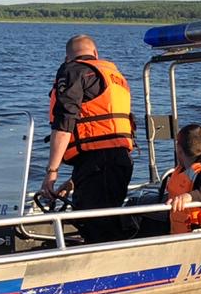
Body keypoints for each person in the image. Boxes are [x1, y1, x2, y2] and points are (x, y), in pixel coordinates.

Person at [43, 34, 135, 243]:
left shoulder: (74, 71)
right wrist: (75, 180)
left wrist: (52, 172)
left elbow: (65, 122)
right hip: (119, 161)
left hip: (99, 163)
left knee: (95, 224)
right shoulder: (114, 76)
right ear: (95, 54)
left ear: (67, 58)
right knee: (102, 217)